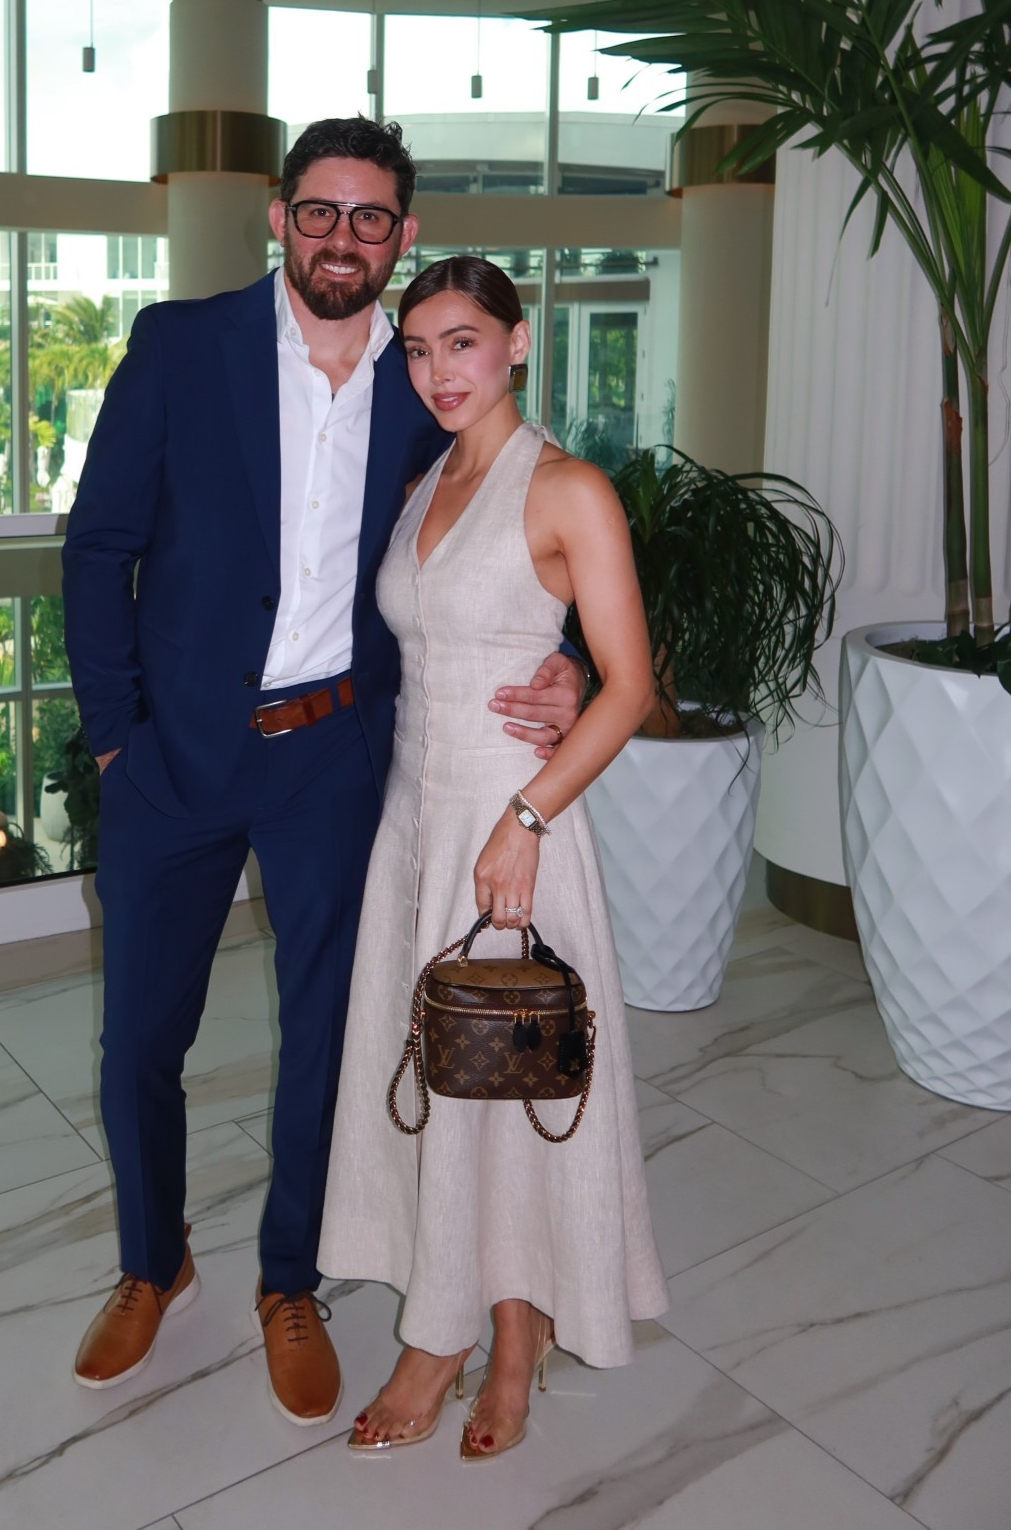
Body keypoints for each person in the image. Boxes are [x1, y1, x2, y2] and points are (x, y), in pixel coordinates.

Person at [60, 120, 587, 1426]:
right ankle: (151, 1258)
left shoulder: (427, 380)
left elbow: (528, 517)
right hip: (172, 760)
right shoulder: (180, 346)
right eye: (318, 211)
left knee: (331, 1044)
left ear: (399, 234)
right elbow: (96, 546)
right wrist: (116, 735)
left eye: (368, 217)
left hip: (334, 761)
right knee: (141, 1036)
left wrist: (567, 655)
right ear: (280, 219)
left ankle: (287, 1281)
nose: (340, 236)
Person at [318, 254, 669, 1460]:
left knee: (508, 1086)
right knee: (437, 1083)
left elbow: (625, 686)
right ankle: (446, 1316)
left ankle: (503, 1340)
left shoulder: (567, 487)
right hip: (415, 821)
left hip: (511, 827)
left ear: (517, 342)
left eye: (460, 342)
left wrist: (522, 818)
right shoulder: (426, 481)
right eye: (416, 349)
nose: (436, 370)